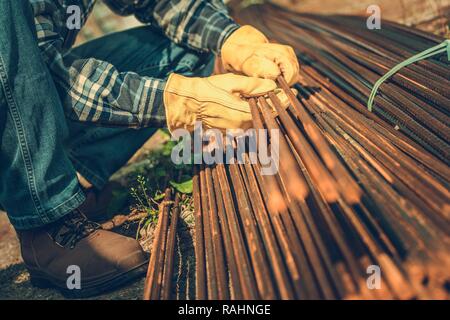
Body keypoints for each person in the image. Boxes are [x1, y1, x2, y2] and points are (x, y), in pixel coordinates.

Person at [0, 0, 298, 297]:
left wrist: (231, 38)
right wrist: (178, 100)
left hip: (30, 98)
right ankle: (45, 219)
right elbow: (36, 76)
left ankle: (71, 175)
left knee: (188, 50)